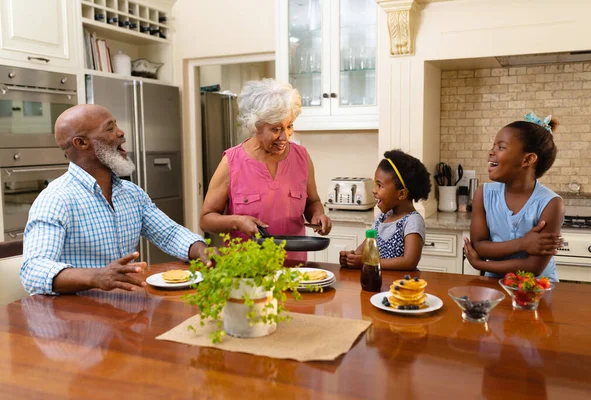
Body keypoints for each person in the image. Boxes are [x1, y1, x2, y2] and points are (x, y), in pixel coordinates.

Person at [21, 104, 211, 295]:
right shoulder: (56, 199)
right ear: (81, 143)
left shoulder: (132, 193)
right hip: (76, 315)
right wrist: (96, 277)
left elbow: (170, 234)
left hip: (125, 308)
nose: (120, 133)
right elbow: (33, 270)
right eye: (109, 128)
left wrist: (202, 251)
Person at [200, 79, 332, 260]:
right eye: (276, 129)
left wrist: (318, 215)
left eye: (289, 125)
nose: (285, 136)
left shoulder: (301, 157)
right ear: (256, 126)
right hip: (246, 271)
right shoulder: (232, 161)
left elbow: (312, 202)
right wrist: (238, 222)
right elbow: (206, 219)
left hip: (295, 269)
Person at [463, 112, 564, 282]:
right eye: (493, 146)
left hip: (537, 290)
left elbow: (534, 267)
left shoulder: (551, 203)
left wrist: (480, 265)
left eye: (501, 147)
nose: (491, 152)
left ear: (528, 159)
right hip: (495, 286)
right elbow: (480, 246)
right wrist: (523, 243)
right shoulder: (483, 193)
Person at [339, 149, 431, 270]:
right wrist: (351, 257)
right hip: (378, 283)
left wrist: (367, 262)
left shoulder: (412, 221)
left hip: (400, 286)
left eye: (380, 185)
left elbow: (409, 262)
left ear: (401, 194)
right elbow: (363, 251)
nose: (374, 190)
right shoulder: (382, 218)